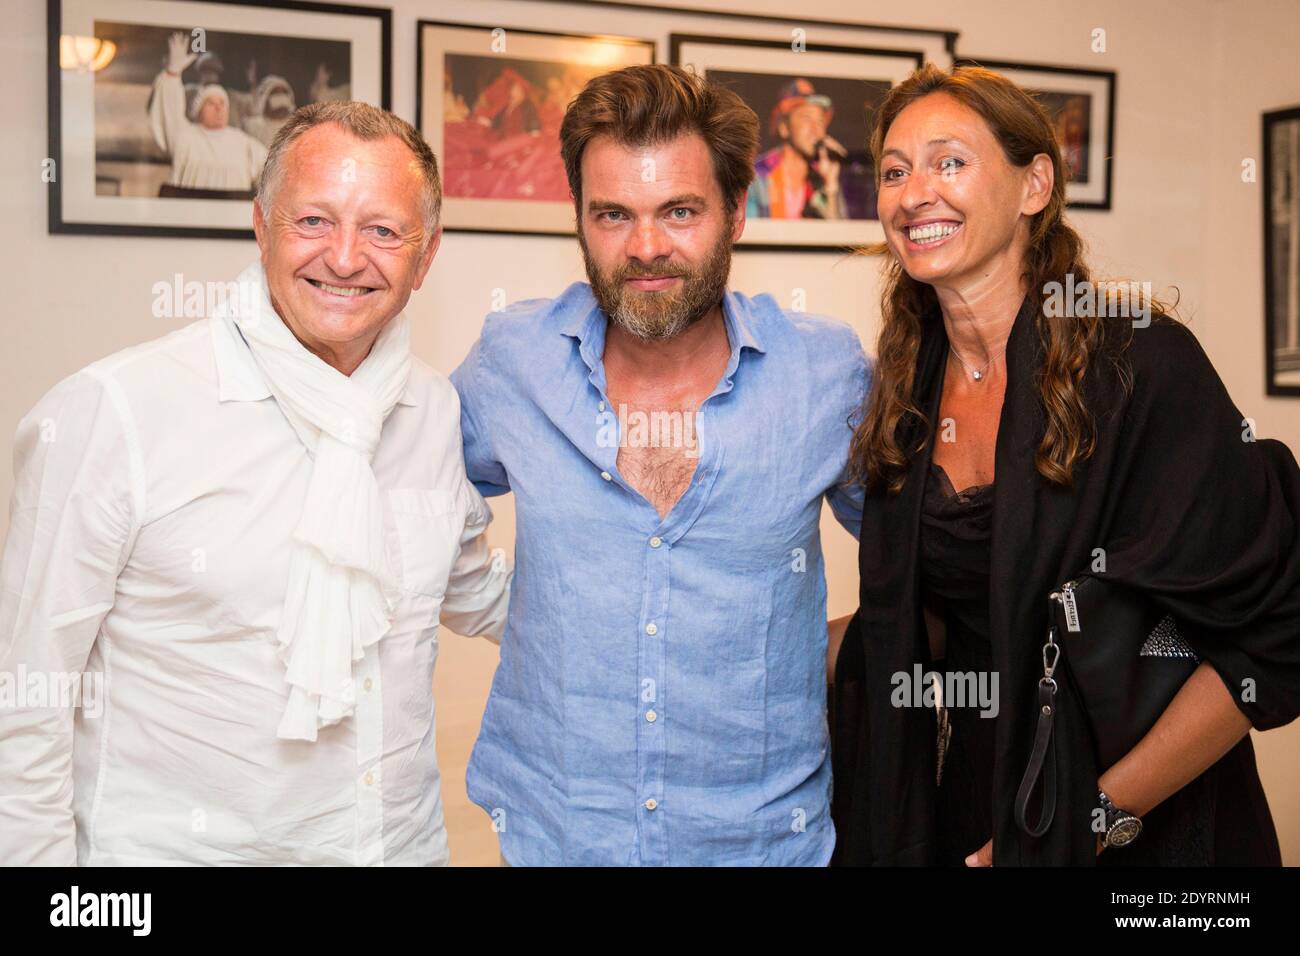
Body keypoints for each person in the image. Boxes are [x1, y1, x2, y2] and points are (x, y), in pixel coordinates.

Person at [0, 101, 511, 865]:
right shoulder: (114, 413)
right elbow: (24, 699)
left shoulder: (432, 409)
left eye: (381, 229)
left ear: (426, 255)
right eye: (313, 221)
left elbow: (472, 590)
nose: (344, 257)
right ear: (261, 225)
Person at [828, 64, 1300, 866]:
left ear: (1034, 185)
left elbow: (1276, 632)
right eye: (897, 170)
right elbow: (942, 615)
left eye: (949, 162)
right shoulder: (906, 384)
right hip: (983, 795)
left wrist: (1093, 818)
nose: (913, 195)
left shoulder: (1138, 364)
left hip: (1144, 818)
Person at [451, 64, 868, 866]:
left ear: (736, 213)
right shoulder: (513, 361)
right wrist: (508, 612)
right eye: (613, 213)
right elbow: (397, 497)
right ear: (578, 216)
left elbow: (928, 560)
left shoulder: (826, 374)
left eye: (680, 211)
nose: (646, 247)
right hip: (554, 835)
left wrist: (805, 655)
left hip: (764, 843)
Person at [148, 32, 268, 198]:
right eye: (211, 103)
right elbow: (169, 112)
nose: (218, 108)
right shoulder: (185, 137)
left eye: (222, 104)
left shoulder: (242, 143)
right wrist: (172, 74)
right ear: (198, 111)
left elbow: (272, 167)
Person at [745, 78, 869, 220]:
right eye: (806, 118)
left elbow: (840, 238)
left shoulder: (823, 177)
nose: (816, 129)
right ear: (784, 127)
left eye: (820, 121)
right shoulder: (758, 174)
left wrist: (831, 187)